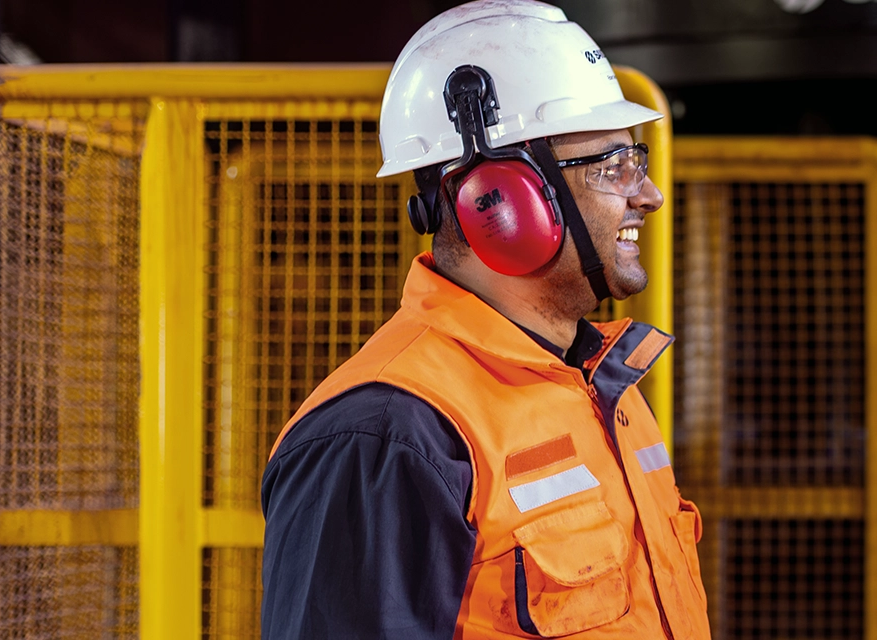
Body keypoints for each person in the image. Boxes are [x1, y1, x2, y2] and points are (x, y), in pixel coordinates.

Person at [259, 1, 711, 637]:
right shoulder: (388, 437)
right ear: (499, 200)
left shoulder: (601, 388)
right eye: (613, 166)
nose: (649, 193)